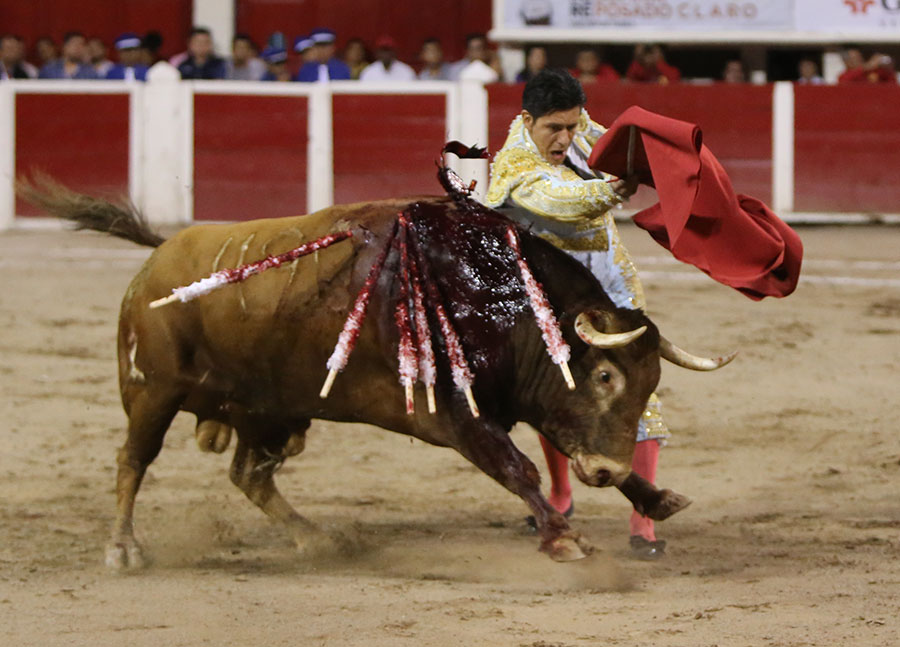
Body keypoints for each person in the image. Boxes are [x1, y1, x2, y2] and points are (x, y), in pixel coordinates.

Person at [485, 69, 667, 560]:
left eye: (572, 125)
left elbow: (614, 145)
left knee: (635, 400)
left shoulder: (579, 128)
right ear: (528, 120)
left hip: (612, 288)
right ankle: (561, 495)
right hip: (554, 304)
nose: (566, 138)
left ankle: (643, 520)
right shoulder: (513, 165)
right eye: (554, 129)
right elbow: (557, 199)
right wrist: (611, 192)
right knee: (558, 403)